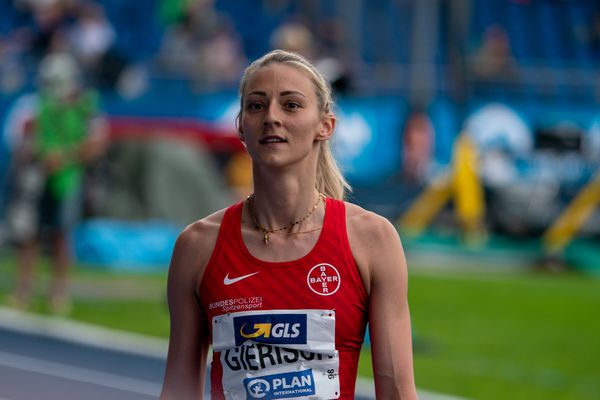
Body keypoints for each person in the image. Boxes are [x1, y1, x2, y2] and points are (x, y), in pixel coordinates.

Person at [160, 49, 417, 399]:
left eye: (291, 105)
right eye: (256, 105)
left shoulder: (372, 239)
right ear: (240, 127)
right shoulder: (197, 246)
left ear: (325, 126)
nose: (271, 117)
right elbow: (178, 391)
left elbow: (398, 391)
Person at [8, 51, 106, 314]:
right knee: (30, 235)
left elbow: (97, 144)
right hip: (36, 179)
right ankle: (24, 288)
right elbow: (21, 146)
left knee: (61, 235)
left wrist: (64, 157)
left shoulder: (85, 108)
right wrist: (40, 153)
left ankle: (58, 292)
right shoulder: (32, 107)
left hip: (68, 179)